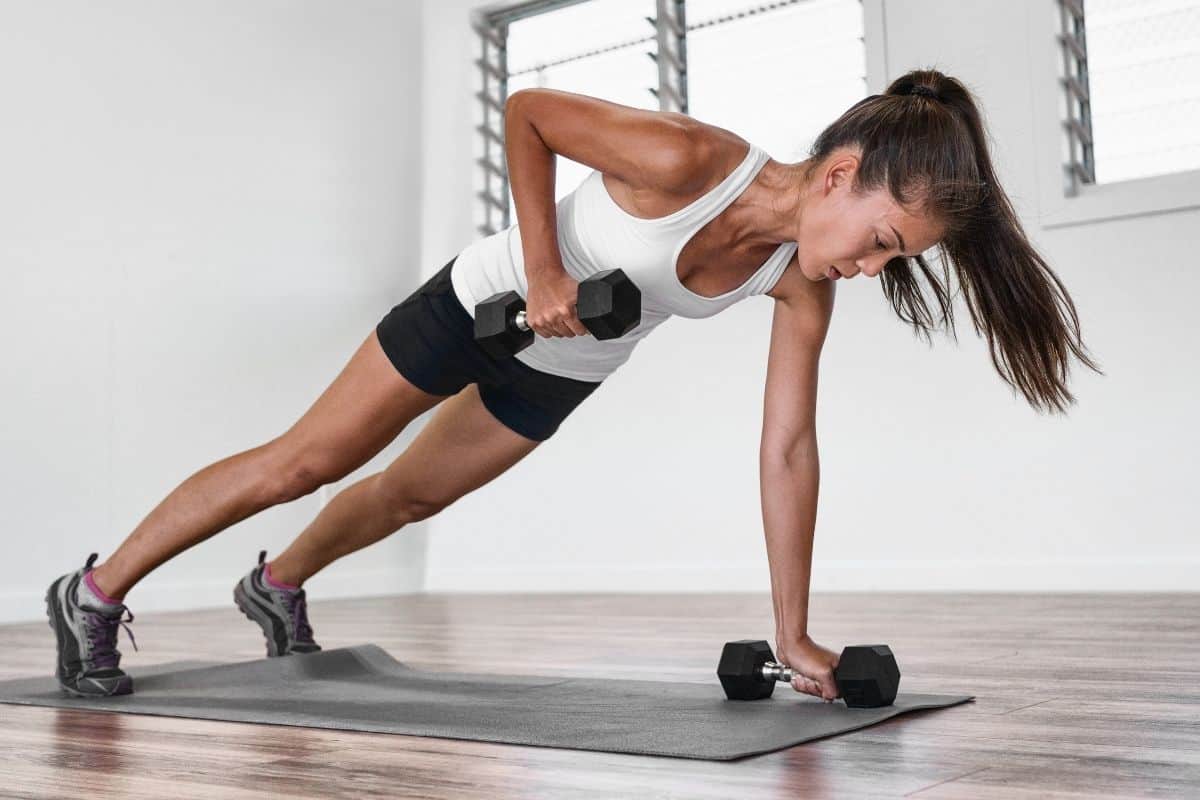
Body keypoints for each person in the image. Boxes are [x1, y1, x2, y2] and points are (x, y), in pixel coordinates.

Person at [45, 68, 1101, 702]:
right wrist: (546, 266)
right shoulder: (691, 157)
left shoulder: (800, 287)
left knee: (414, 492)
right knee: (309, 458)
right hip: (488, 299)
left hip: (569, 360)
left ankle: (275, 586)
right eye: (879, 241)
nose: (871, 270)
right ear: (838, 176)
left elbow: (788, 449)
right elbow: (531, 109)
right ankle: (94, 592)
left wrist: (792, 631)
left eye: (892, 261)